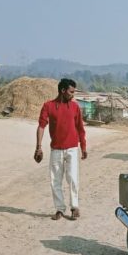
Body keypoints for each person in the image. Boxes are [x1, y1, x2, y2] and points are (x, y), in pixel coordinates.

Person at [35, 78, 88, 220]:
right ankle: (59, 209)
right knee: (55, 180)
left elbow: (80, 129)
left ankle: (74, 207)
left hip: (72, 148)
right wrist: (38, 147)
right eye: (71, 92)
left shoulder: (75, 107)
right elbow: (41, 126)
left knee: (72, 178)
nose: (73, 95)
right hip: (56, 150)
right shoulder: (48, 106)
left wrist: (83, 147)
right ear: (63, 91)